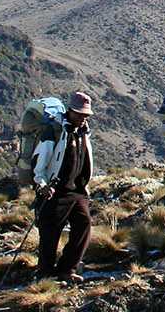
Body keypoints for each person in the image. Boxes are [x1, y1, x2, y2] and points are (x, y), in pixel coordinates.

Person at [33, 91, 95, 283]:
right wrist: (41, 184)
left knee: (84, 225)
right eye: (79, 114)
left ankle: (67, 268)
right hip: (55, 190)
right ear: (70, 111)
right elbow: (39, 161)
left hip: (77, 190)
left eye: (86, 115)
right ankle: (45, 275)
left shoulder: (83, 132)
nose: (83, 118)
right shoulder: (55, 131)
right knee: (50, 233)